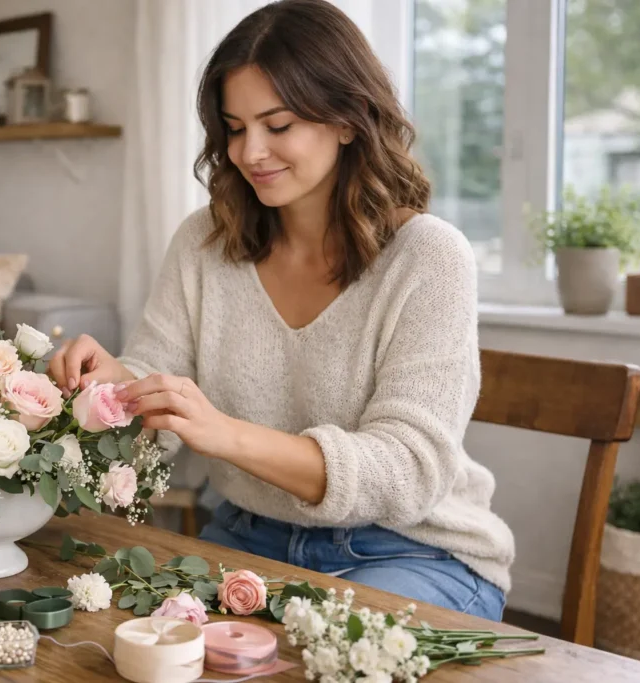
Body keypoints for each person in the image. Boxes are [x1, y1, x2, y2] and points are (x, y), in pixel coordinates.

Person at [47, 0, 514, 621]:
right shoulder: (205, 241)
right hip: (248, 536)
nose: (250, 152)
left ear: (347, 119)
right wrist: (118, 383)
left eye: (278, 124)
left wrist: (224, 433)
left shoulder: (428, 256)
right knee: (127, 642)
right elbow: (156, 380)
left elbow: (407, 471)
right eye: (235, 128)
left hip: (413, 550)